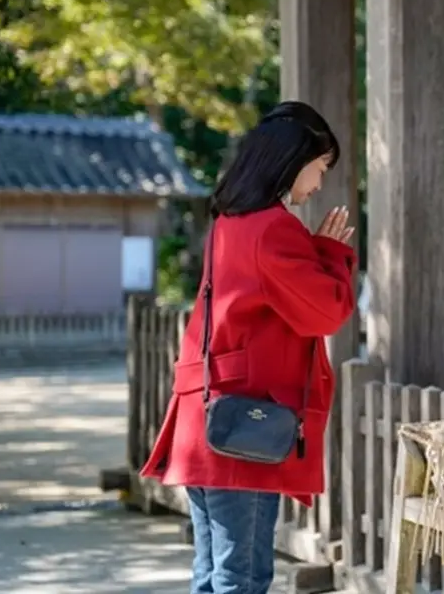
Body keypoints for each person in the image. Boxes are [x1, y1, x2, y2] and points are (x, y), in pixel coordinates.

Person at [141, 101, 357, 594]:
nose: (319, 184)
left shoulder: (230, 222)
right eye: (320, 168)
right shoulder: (273, 228)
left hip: (211, 416)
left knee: (214, 573)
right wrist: (327, 251)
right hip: (247, 428)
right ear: (294, 159)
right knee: (244, 577)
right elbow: (325, 312)